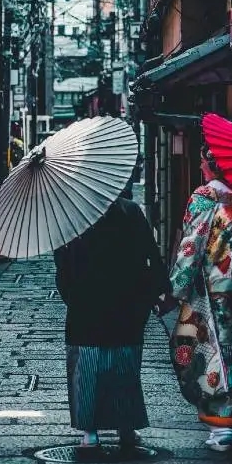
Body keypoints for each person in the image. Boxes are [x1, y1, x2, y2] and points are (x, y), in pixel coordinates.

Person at [53, 183, 171, 450]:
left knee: (86, 369)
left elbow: (62, 265)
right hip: (126, 304)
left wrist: (71, 296)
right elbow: (151, 255)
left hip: (86, 306)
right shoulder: (130, 211)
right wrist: (156, 292)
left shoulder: (73, 217)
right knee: (124, 367)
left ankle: (90, 433)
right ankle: (126, 429)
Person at [161, 143, 232, 452]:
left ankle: (219, 424)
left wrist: (175, 287)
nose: (201, 166)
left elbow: (191, 244)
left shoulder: (205, 198)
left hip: (208, 287)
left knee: (200, 350)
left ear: (212, 166)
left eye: (204, 162)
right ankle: (227, 421)